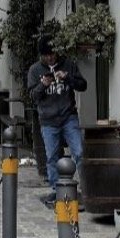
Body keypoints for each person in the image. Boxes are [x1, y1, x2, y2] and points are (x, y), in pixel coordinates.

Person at [26, 35, 87, 206]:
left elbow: (83, 85)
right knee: (52, 157)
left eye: (53, 54)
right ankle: (56, 191)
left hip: (69, 117)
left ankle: (84, 188)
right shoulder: (35, 70)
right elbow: (33, 96)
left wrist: (67, 77)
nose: (51, 57)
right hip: (48, 120)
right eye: (47, 55)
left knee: (79, 152)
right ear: (42, 55)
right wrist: (43, 84)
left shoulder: (68, 65)